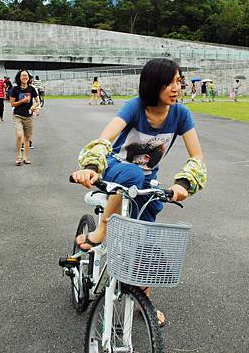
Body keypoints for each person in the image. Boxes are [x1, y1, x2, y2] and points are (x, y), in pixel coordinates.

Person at [71, 58, 207, 327]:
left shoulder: (181, 114)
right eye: (169, 82)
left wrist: (184, 183)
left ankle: (142, 300)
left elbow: (198, 157)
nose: (175, 87)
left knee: (146, 238)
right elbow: (104, 139)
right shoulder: (134, 107)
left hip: (147, 180)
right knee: (133, 174)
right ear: (153, 83)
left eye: (178, 81)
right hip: (115, 167)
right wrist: (89, 167)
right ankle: (101, 231)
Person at [10, 69, 39, 166]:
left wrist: (33, 107)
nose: (25, 77)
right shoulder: (15, 89)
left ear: (28, 77)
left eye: (26, 75)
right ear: (19, 77)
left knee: (27, 138)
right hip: (18, 116)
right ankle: (19, 157)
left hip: (29, 117)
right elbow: (12, 104)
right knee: (19, 135)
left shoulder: (32, 89)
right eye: (22, 75)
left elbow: (38, 101)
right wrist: (22, 101)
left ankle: (26, 158)